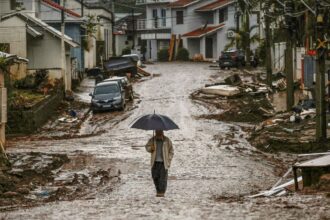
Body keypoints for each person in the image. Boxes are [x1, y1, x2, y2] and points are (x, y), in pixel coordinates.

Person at [145, 130, 174, 197]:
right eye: (157, 132)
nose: (158, 134)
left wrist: (168, 159)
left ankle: (161, 192)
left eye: (159, 132)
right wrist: (150, 148)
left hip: (163, 162)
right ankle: (158, 190)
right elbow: (147, 147)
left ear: (162, 132)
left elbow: (171, 151)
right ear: (155, 132)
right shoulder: (152, 140)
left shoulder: (167, 140)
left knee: (163, 178)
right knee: (155, 176)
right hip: (154, 162)